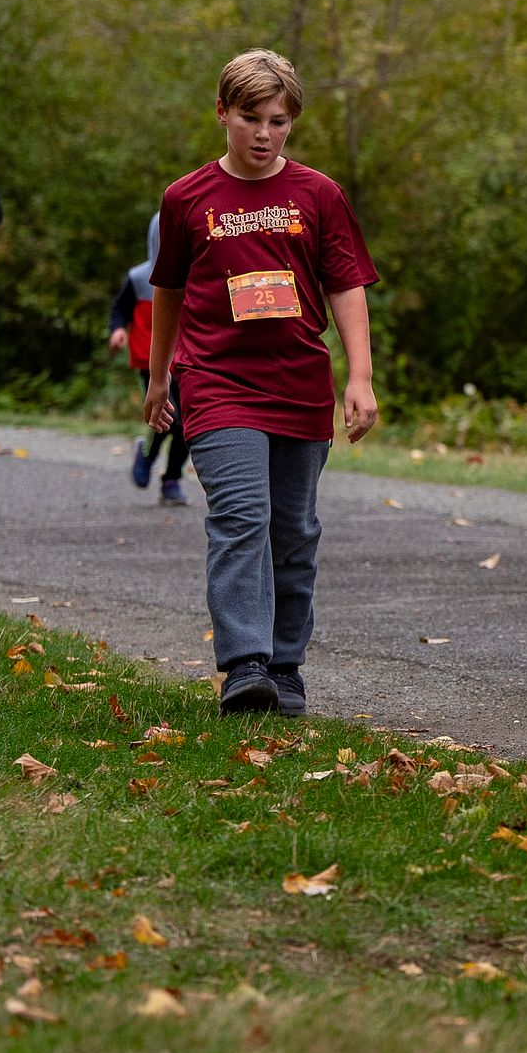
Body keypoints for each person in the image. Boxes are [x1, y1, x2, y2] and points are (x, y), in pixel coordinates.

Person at [148, 50, 381, 717]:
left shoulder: (318, 194)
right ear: (222, 112)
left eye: (278, 121)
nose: (263, 133)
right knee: (241, 516)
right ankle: (244, 665)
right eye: (250, 117)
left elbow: (346, 284)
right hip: (217, 380)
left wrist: (359, 377)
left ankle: (284, 664)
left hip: (299, 383)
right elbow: (167, 290)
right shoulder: (186, 197)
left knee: (294, 531)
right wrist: (161, 374)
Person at [108, 214, 191, 506]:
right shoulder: (138, 278)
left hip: (188, 360)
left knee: (186, 425)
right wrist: (118, 330)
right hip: (151, 361)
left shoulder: (195, 277)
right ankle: (147, 456)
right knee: (168, 419)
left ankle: (171, 479)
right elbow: (119, 310)